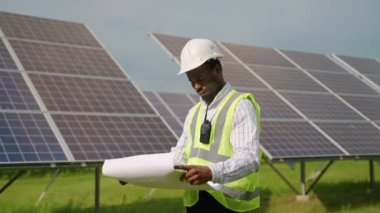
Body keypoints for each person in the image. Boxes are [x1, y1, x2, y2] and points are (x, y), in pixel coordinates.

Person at [172, 38, 262, 213]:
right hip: (196, 202)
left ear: (217, 70)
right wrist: (138, 175)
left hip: (230, 206)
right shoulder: (194, 113)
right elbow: (179, 155)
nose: (196, 86)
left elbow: (249, 159)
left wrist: (212, 172)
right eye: (191, 81)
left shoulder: (240, 105)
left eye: (200, 78)